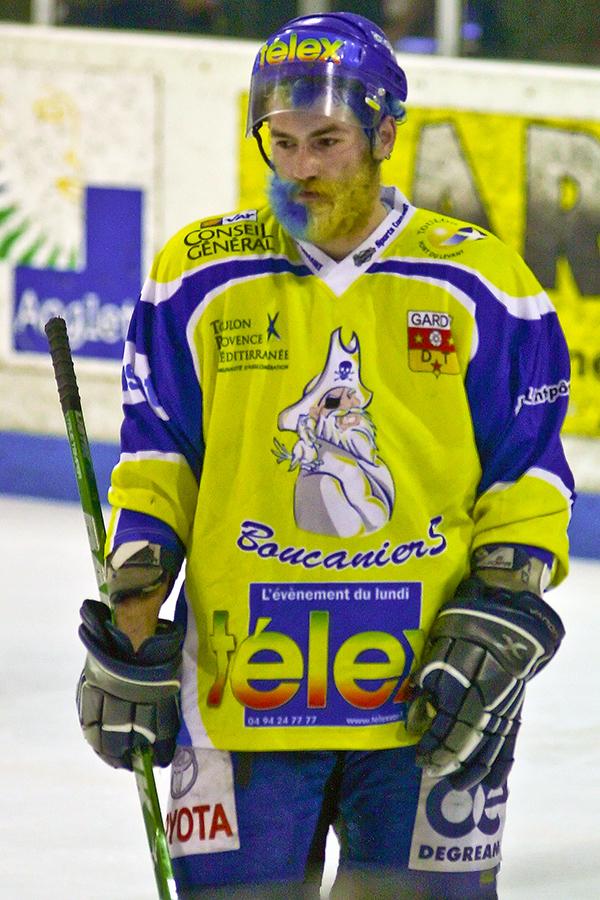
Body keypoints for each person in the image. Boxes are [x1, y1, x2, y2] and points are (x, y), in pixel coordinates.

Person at [75, 11, 574, 898]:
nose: (301, 166)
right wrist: (134, 609)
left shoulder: (486, 284)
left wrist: (507, 602)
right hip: (239, 691)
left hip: (426, 694)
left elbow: (525, 476)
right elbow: (159, 461)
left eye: (329, 140)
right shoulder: (195, 277)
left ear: (386, 133)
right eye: (283, 141)